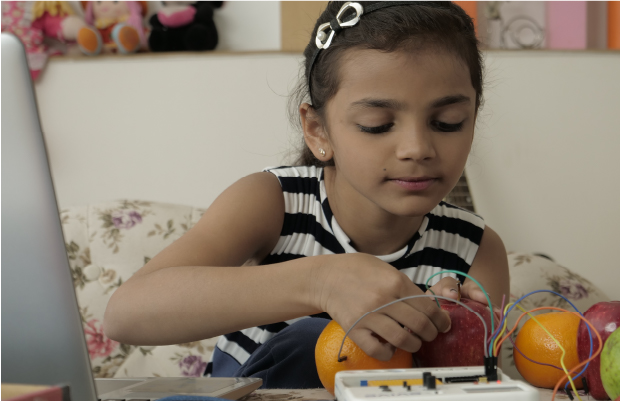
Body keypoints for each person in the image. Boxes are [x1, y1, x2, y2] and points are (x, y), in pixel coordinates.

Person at [104, 1, 510, 389]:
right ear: (318, 131)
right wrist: (321, 282)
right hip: (258, 388)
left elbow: (473, 384)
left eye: (447, 122)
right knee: (311, 340)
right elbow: (127, 314)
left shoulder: (476, 249)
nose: (417, 148)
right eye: (377, 124)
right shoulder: (273, 202)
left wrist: (449, 331)